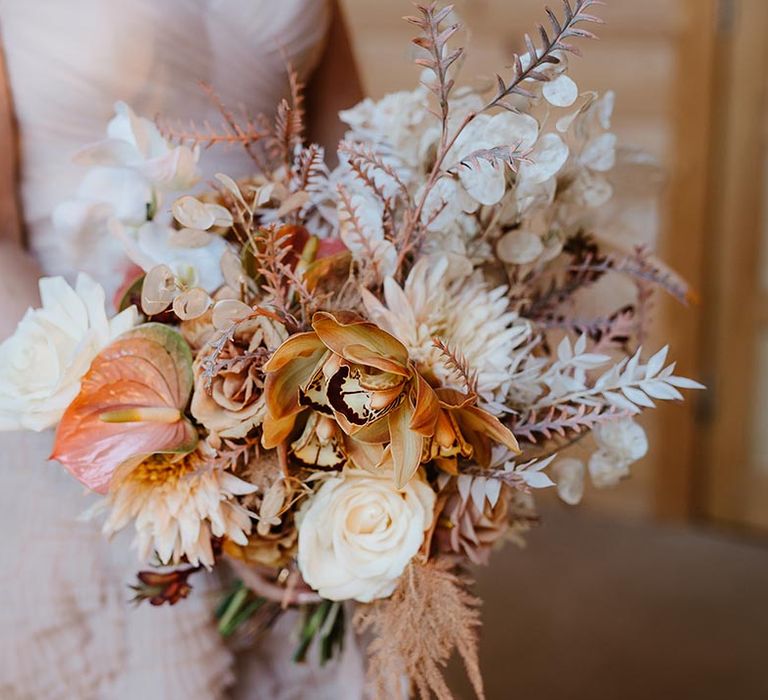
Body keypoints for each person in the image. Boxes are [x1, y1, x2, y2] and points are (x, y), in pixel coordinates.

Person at [0, 1, 364, 697]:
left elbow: (352, 170)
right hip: (70, 362)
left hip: (286, 354)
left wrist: (345, 352)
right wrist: (124, 397)